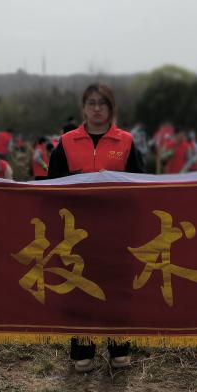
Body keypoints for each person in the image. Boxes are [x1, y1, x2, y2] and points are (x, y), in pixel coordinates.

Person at [47, 83, 146, 372]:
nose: (97, 108)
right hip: (75, 231)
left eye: (103, 103)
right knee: (78, 287)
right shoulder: (66, 142)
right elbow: (52, 185)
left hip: (116, 229)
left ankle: (119, 348)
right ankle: (83, 350)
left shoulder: (126, 141)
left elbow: (141, 185)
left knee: (116, 287)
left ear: (111, 108)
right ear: (83, 108)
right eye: (91, 103)